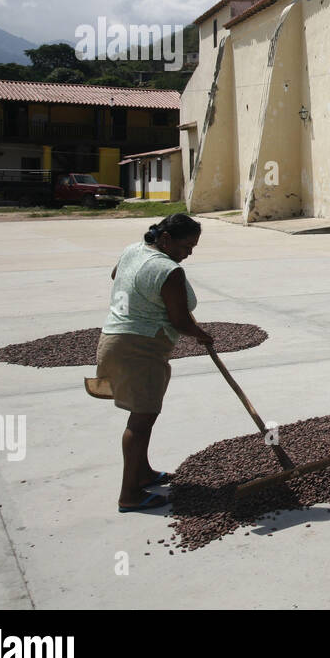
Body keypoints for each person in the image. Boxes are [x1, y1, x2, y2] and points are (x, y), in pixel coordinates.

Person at [98, 213, 214, 511]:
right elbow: (180, 321)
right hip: (139, 348)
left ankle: (143, 472)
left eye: (193, 247)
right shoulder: (168, 270)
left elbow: (116, 275)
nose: (189, 253)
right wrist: (204, 336)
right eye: (186, 246)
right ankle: (130, 495)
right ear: (166, 239)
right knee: (141, 420)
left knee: (143, 414)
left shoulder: (134, 250)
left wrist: (145, 299)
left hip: (114, 339)